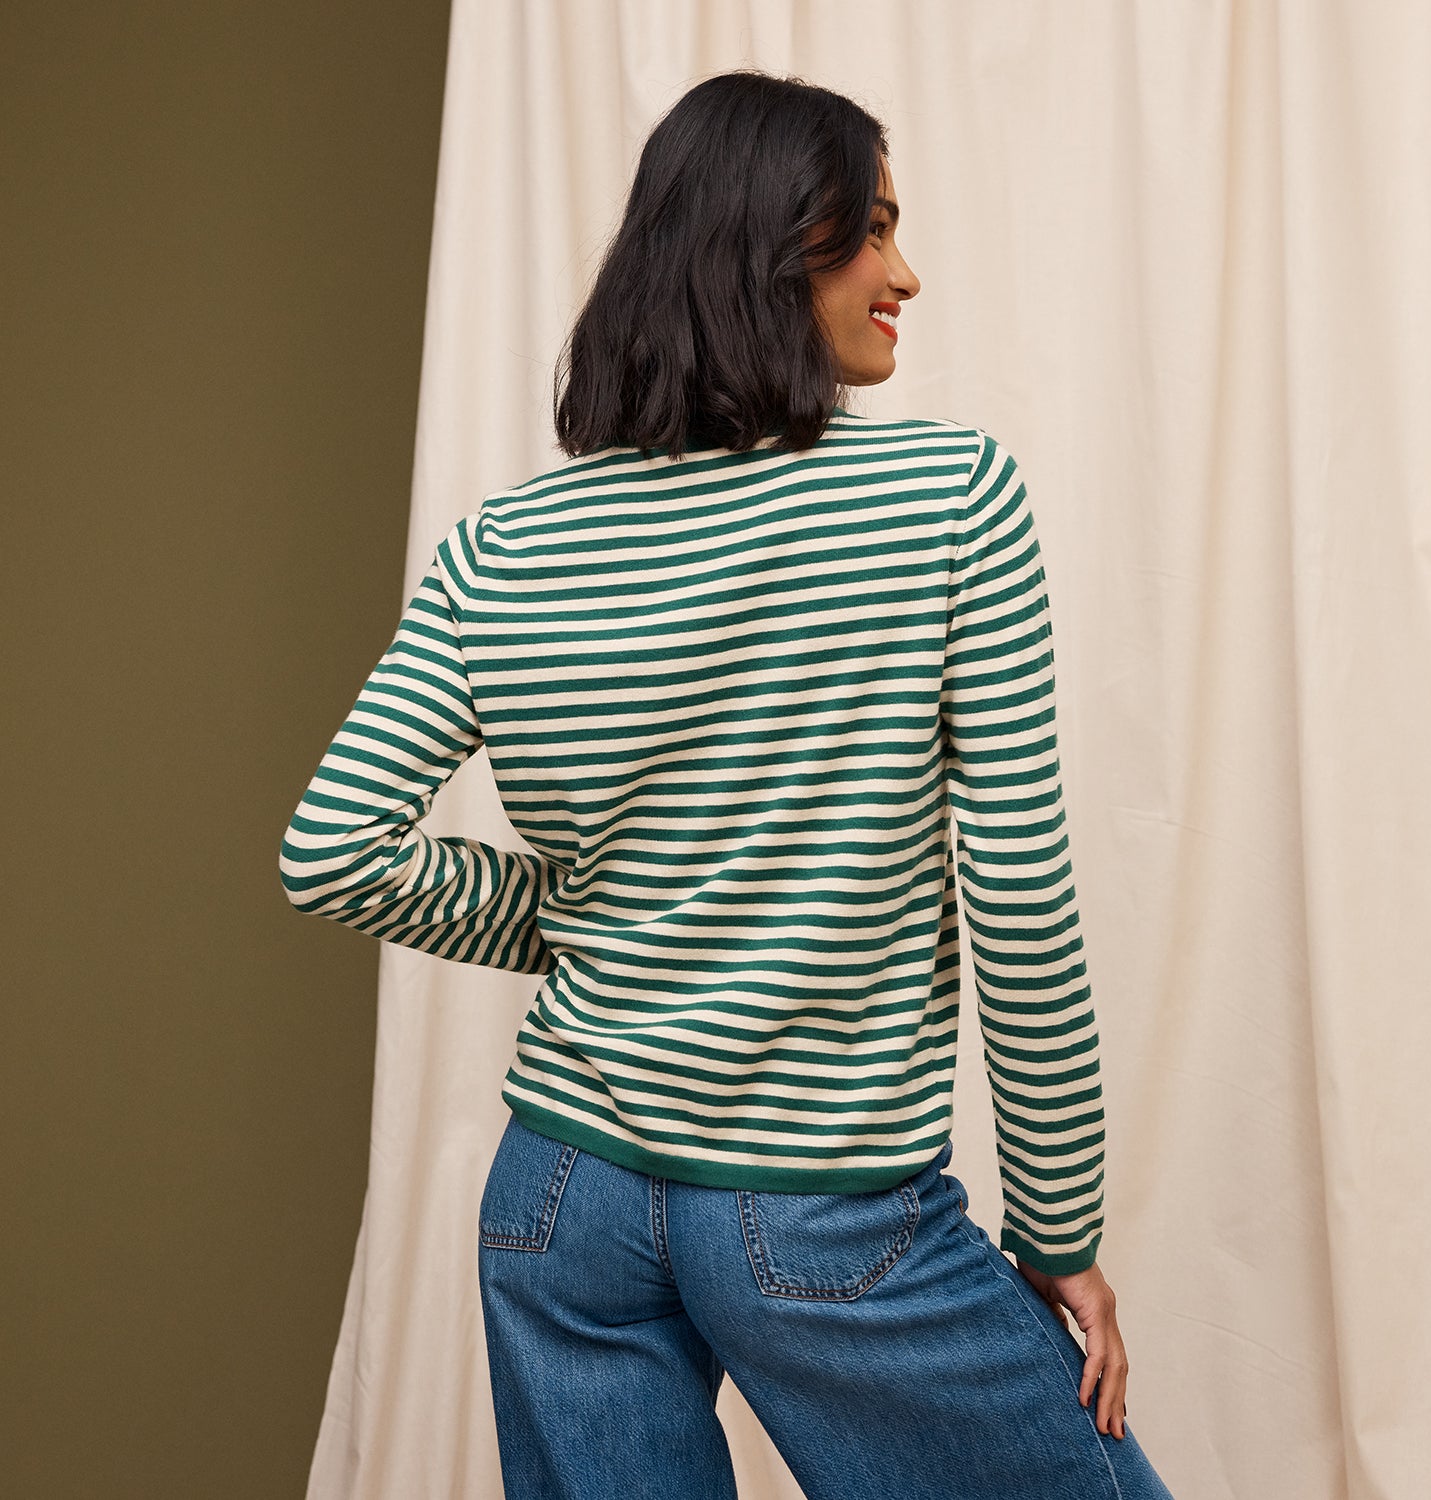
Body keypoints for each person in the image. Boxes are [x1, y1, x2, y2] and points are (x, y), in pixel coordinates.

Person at [280, 68, 1175, 1500]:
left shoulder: (503, 547)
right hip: (819, 1210)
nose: (905, 274)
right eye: (872, 230)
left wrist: (603, 920)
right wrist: (1058, 1231)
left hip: (561, 1201)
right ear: (776, 247)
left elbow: (333, 849)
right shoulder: (949, 500)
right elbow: (1017, 892)